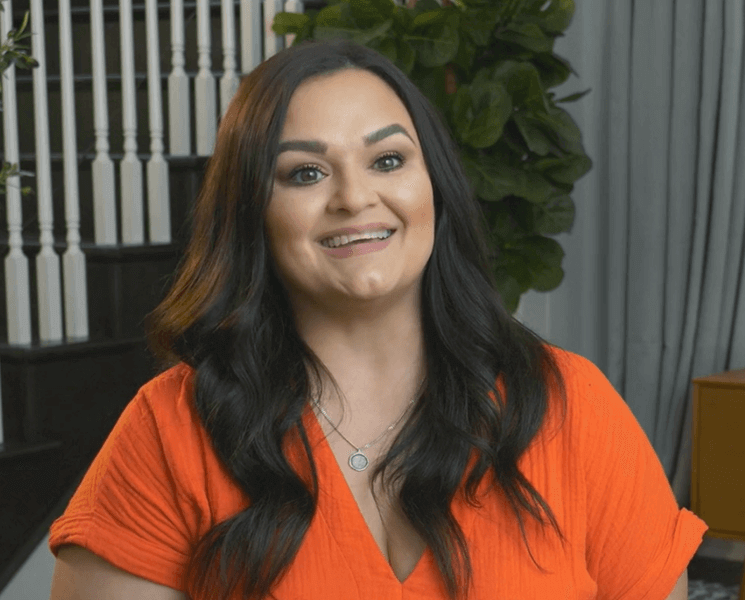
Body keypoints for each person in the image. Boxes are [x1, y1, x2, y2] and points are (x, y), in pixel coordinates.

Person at [48, 38, 707, 599]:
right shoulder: (170, 430)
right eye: (305, 174)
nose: (355, 197)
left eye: (388, 160)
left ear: (434, 188)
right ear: (251, 213)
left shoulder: (570, 404)